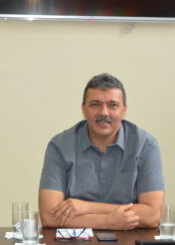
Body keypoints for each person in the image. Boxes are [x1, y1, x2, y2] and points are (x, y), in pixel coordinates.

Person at [38, 73, 165, 230]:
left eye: (113, 105)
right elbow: (49, 216)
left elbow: (152, 215)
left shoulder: (146, 145)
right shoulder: (60, 145)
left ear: (124, 110)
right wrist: (109, 222)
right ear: (83, 109)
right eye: (95, 104)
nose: (104, 112)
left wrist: (86, 207)